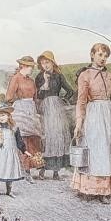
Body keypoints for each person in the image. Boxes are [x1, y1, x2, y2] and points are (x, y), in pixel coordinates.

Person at [71, 42, 111, 204]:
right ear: (92, 55)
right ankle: (89, 189)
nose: (103, 58)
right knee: (96, 150)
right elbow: (81, 101)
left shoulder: (109, 76)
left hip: (108, 115)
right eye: (100, 55)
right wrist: (79, 123)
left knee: (109, 150)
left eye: (105, 56)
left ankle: (105, 191)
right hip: (93, 115)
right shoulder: (85, 75)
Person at [34, 50, 74, 180]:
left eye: (47, 62)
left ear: (52, 62)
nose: (45, 65)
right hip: (45, 107)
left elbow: (70, 91)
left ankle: (56, 172)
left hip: (56, 108)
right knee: (47, 137)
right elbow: (37, 95)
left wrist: (62, 100)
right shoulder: (39, 77)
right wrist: (44, 83)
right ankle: (42, 171)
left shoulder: (58, 76)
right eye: (43, 63)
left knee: (58, 136)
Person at [5, 55, 44, 180]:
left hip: (31, 108)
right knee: (24, 138)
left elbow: (35, 97)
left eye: (32, 67)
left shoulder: (31, 81)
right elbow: (8, 97)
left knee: (34, 137)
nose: (31, 69)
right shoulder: (16, 78)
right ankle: (25, 170)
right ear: (23, 66)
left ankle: (34, 166)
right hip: (20, 108)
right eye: (29, 67)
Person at [0, 102, 30, 197]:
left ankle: (9, 190)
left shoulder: (14, 128)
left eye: (3, 115)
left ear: (8, 116)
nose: (1, 118)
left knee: (10, 170)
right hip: (0, 153)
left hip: (11, 153)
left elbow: (19, 141)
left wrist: (24, 150)